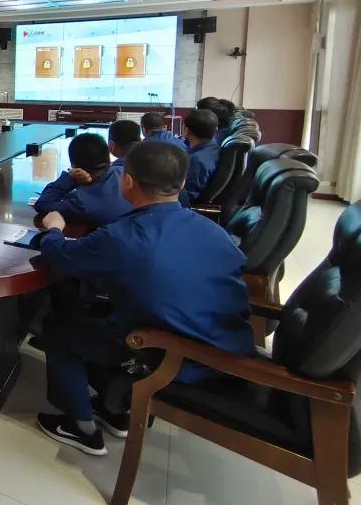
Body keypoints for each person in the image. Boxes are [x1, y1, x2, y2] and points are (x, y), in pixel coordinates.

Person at [33, 140, 253, 456]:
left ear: (127, 181)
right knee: (102, 311)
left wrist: (53, 229)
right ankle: (116, 409)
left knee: (57, 328)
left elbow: (61, 257)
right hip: (226, 353)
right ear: (181, 184)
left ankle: (81, 427)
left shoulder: (122, 236)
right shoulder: (214, 231)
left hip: (175, 359)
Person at [34, 133, 132, 227]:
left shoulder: (82, 203)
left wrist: (70, 177)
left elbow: (43, 204)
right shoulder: (124, 171)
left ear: (74, 166)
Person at [181, 109, 221, 203]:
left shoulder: (196, 160)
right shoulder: (214, 149)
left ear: (186, 130)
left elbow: (189, 194)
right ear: (216, 129)